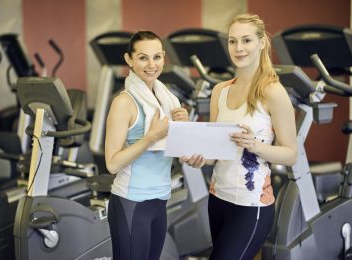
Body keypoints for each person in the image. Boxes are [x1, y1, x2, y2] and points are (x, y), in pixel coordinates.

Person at [182, 13, 297, 259]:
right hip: (217, 199)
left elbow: (291, 154)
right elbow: (214, 154)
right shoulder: (219, 91)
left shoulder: (272, 92)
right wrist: (198, 157)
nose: (239, 48)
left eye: (246, 40)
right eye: (233, 41)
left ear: (261, 43)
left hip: (251, 204)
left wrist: (255, 145)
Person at [104, 30, 202, 260]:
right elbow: (111, 163)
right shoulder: (124, 103)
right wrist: (150, 137)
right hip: (131, 202)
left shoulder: (168, 98)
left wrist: (183, 130)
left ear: (163, 57)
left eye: (157, 57)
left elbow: (176, 149)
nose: (151, 65)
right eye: (143, 57)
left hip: (159, 200)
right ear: (129, 59)